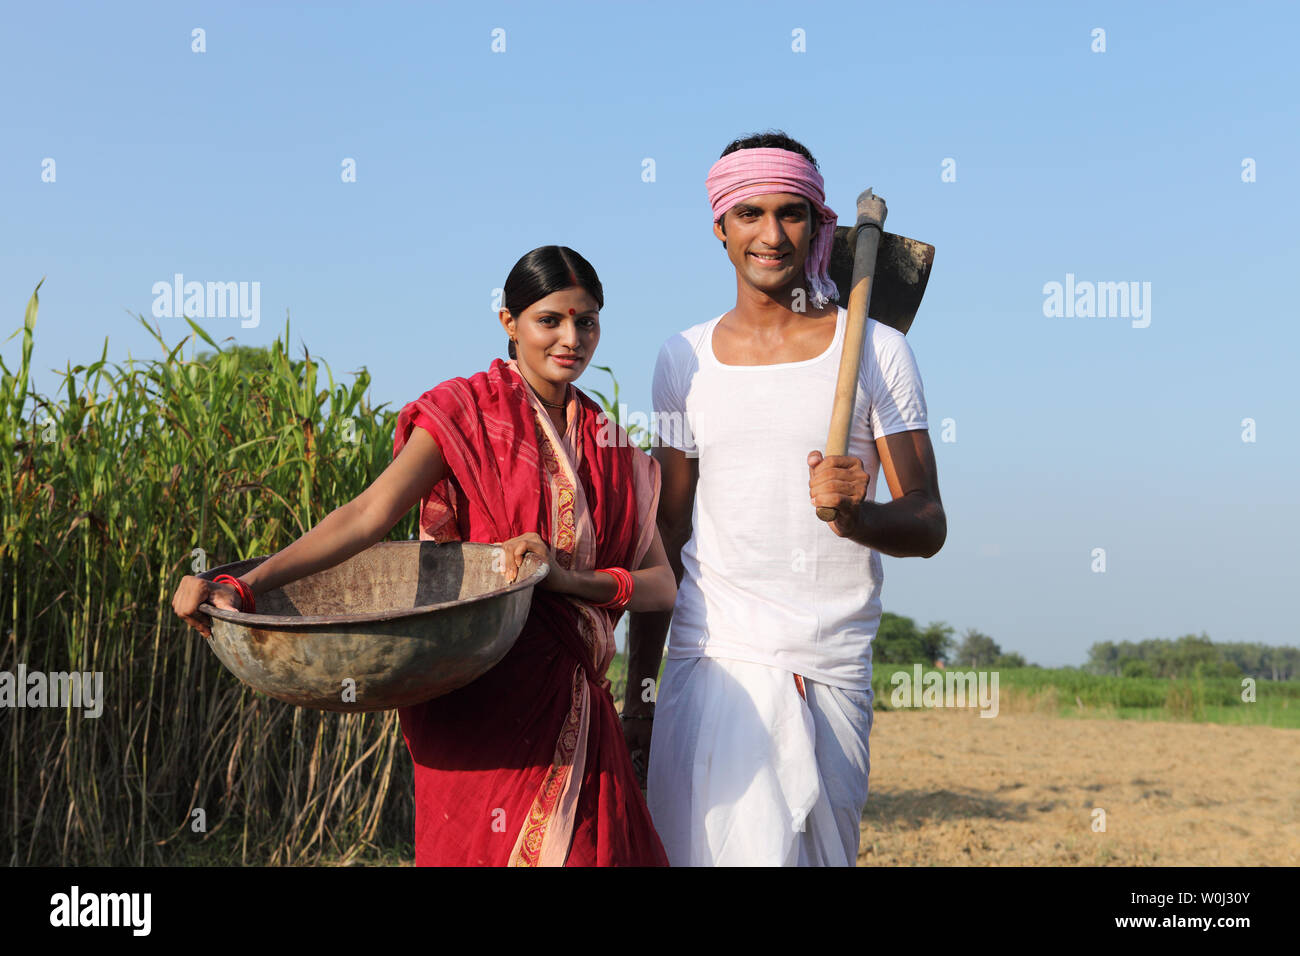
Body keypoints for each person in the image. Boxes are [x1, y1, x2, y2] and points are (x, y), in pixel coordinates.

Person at [173, 245, 675, 866]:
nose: (572, 338)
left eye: (587, 320)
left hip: (574, 703)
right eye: (551, 320)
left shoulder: (612, 447)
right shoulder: (467, 415)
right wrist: (242, 584)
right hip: (476, 695)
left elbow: (662, 586)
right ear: (508, 322)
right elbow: (365, 516)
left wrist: (569, 581)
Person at [623, 132, 946, 866]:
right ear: (720, 227)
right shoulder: (684, 358)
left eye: (792, 214)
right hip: (711, 662)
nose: (771, 236)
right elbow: (666, 533)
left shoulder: (876, 350)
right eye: (750, 214)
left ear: (818, 224)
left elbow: (928, 520)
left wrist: (858, 518)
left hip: (827, 665)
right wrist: (641, 692)